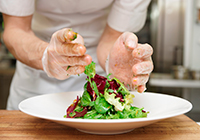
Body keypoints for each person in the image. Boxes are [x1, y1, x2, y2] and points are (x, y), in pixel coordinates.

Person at [0, 0, 153, 110]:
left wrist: (115, 61)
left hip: (97, 85)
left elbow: (110, 38)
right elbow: (16, 29)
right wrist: (46, 55)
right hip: (34, 77)